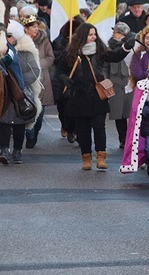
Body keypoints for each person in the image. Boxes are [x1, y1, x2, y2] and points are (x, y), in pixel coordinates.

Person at [56, 22, 134, 171]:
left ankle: (101, 157)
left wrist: (126, 47)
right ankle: (86, 158)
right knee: (83, 129)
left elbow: (114, 56)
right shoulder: (71, 52)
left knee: (99, 127)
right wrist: (65, 79)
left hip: (98, 95)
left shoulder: (99, 49)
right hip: (78, 95)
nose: (93, 37)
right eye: (90, 34)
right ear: (83, 36)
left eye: (94, 34)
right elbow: (59, 70)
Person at [0, 20, 42, 164]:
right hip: (3, 92)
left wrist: (20, 82)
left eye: (9, 35)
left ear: (15, 36)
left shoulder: (25, 52)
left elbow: (35, 70)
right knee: (3, 123)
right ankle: (4, 149)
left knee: (19, 123)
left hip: (20, 92)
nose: (7, 38)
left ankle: (17, 150)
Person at [23, 11, 55, 149]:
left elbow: (50, 57)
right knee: (28, 107)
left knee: (40, 112)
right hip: (27, 79)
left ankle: (34, 132)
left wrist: (37, 65)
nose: (36, 28)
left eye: (37, 26)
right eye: (33, 26)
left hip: (42, 78)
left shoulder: (44, 39)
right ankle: (28, 132)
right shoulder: (21, 41)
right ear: (26, 28)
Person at [105, 21, 134, 149]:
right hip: (114, 81)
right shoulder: (109, 46)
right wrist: (106, 80)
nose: (113, 34)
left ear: (122, 34)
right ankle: (122, 138)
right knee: (118, 112)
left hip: (130, 80)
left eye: (115, 32)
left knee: (130, 111)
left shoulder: (132, 45)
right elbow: (105, 65)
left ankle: (131, 137)